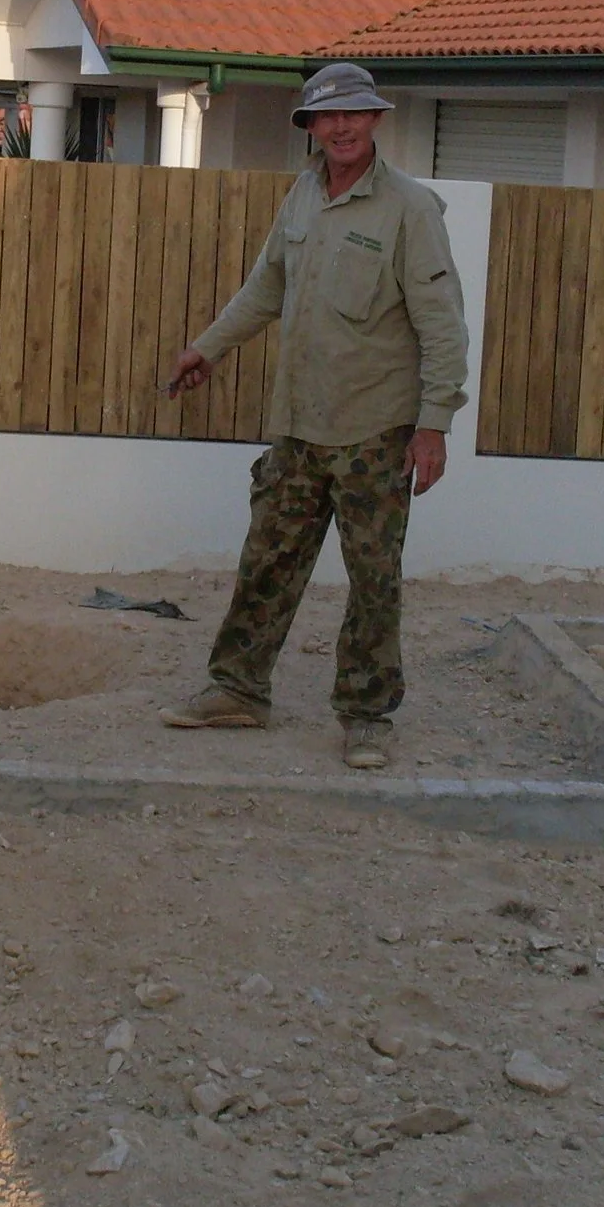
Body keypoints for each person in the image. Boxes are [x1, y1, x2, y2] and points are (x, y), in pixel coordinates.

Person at [158, 62, 468, 770]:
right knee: (267, 558)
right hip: (297, 424)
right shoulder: (301, 195)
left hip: (375, 429)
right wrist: (206, 349)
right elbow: (266, 286)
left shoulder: (410, 210)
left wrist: (434, 423)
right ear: (309, 126)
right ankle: (237, 688)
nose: (342, 126)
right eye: (328, 116)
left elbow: (442, 326)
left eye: (355, 113)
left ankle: (366, 715)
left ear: (376, 120)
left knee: (372, 576)